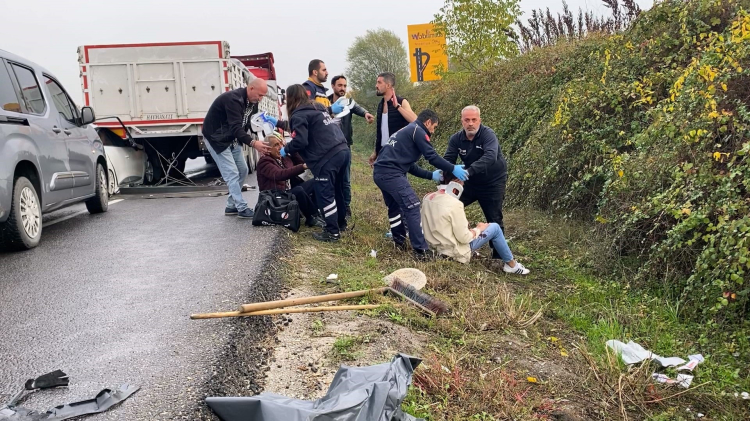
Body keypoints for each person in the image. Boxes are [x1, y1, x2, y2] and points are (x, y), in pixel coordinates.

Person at [373, 109, 469, 259]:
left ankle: (399, 241)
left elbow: (409, 165)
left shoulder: (407, 130)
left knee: (395, 207)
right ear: (428, 122)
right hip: (391, 174)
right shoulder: (418, 131)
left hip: (381, 172)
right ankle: (421, 250)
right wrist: (452, 168)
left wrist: (431, 175)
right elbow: (432, 156)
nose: (433, 131)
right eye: (434, 127)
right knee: (412, 205)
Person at [273, 84, 350, 242]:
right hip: (343, 150)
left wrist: (286, 149)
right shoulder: (317, 108)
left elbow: (300, 140)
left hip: (326, 157)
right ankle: (341, 224)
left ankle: (332, 232)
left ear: (290, 98)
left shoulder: (298, 115)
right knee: (338, 190)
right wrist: (278, 123)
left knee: (325, 194)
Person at [420, 176, 530, 274]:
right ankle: (512, 265)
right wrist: (478, 229)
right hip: (451, 252)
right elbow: (464, 238)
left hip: (433, 248)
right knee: (495, 228)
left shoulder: (428, 197)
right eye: (463, 180)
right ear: (457, 181)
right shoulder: (455, 204)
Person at [202, 78, 271, 218]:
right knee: (232, 173)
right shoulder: (233, 100)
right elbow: (235, 127)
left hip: (231, 138)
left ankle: (231, 205)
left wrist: (264, 137)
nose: (260, 99)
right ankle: (241, 208)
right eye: (260, 95)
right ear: (251, 88)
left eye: (263, 96)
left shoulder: (253, 102)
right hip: (216, 138)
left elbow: (249, 124)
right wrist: (253, 143)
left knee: (243, 170)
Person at [444, 106, 508, 233]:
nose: (470, 123)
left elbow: (490, 157)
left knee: (494, 220)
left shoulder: (488, 135)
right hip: (470, 182)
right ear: (462, 121)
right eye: (467, 120)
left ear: (479, 120)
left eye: (474, 120)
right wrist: (447, 179)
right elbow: (448, 160)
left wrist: (466, 173)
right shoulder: (456, 139)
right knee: (447, 206)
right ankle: (453, 240)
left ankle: (498, 246)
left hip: (492, 182)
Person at [328, 75, 374, 216]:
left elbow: (358, 108)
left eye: (344, 86)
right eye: (340, 85)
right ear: (333, 86)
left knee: (345, 179)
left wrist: (366, 114)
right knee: (330, 178)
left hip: (344, 146)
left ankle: (346, 207)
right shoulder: (326, 103)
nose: (342, 88)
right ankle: (331, 207)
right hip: (328, 147)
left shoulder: (348, 102)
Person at [256, 135, 326, 228]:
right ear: (268, 149)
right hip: (276, 198)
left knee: (316, 181)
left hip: (286, 193)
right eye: (276, 145)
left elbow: (300, 162)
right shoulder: (264, 162)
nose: (280, 147)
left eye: (281, 144)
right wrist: (302, 167)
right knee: (298, 191)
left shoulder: (282, 158)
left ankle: (316, 213)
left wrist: (291, 150)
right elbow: (280, 174)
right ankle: (311, 217)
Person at [369, 72, 417, 167]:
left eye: (379, 82)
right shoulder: (380, 105)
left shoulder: (402, 102)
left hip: (398, 153)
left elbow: (415, 120)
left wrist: (397, 106)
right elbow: (380, 131)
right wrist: (376, 152)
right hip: (384, 152)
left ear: (388, 85)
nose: (376, 86)